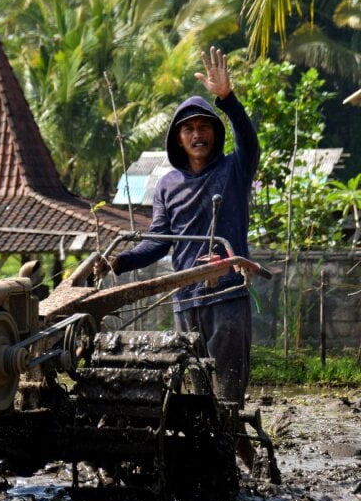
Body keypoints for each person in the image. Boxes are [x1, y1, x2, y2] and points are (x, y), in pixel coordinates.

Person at [95, 47, 260, 465]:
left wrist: (227, 99)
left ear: (215, 133)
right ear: (179, 138)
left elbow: (249, 140)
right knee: (200, 399)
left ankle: (233, 474)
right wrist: (117, 262)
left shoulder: (234, 169)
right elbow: (157, 242)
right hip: (185, 302)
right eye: (189, 129)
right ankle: (239, 465)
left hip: (226, 298)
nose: (198, 134)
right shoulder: (167, 185)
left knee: (228, 397)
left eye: (204, 127)